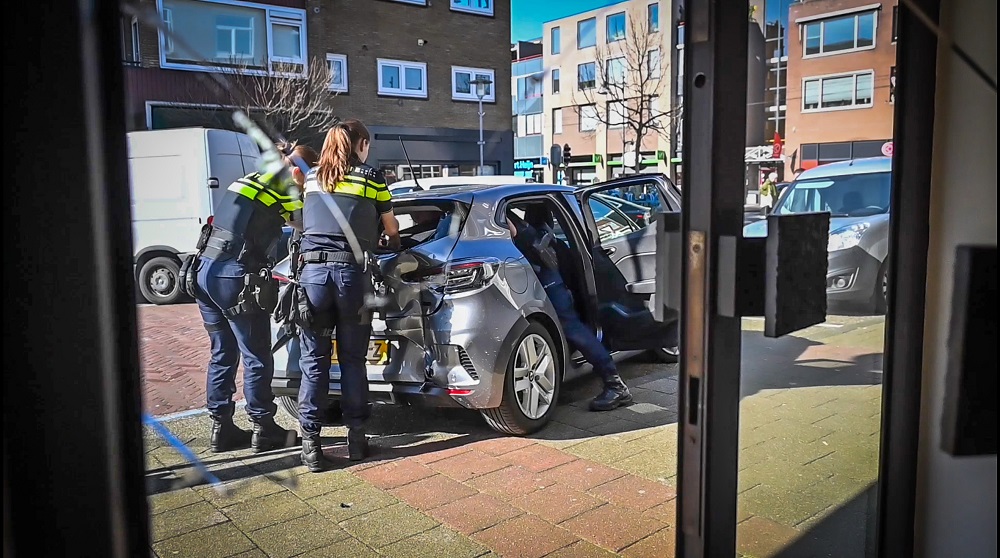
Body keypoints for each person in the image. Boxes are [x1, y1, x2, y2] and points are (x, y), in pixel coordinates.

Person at [193, 142, 319, 453]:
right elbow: (305, 225)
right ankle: (263, 427)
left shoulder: (250, 178)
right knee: (256, 356)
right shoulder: (283, 189)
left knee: (222, 352)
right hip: (234, 276)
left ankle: (220, 428)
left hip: (202, 271)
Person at [296, 119, 400, 470]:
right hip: (349, 279)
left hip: (311, 277)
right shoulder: (372, 178)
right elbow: (391, 227)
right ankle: (356, 440)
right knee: (353, 360)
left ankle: (311, 446)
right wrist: (392, 243)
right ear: (361, 145)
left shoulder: (312, 177)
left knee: (314, 362)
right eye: (366, 145)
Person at [506, 204, 633, 412]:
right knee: (572, 328)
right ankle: (612, 381)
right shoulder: (540, 232)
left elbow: (511, 231)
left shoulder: (523, 229)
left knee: (573, 329)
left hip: (549, 283)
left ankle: (615, 384)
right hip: (548, 282)